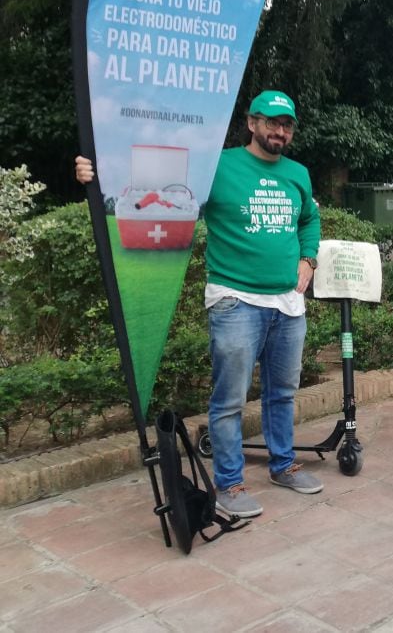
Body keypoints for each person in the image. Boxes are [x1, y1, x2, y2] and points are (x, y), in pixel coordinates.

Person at [76, 90, 323, 517]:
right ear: (252, 122)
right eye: (272, 122)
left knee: (282, 393)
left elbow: (309, 218)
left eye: (287, 125)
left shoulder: (298, 173)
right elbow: (157, 190)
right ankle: (229, 484)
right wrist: (94, 177)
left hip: (288, 304)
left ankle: (283, 465)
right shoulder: (217, 166)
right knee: (229, 399)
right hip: (235, 300)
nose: (280, 131)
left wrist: (309, 257)